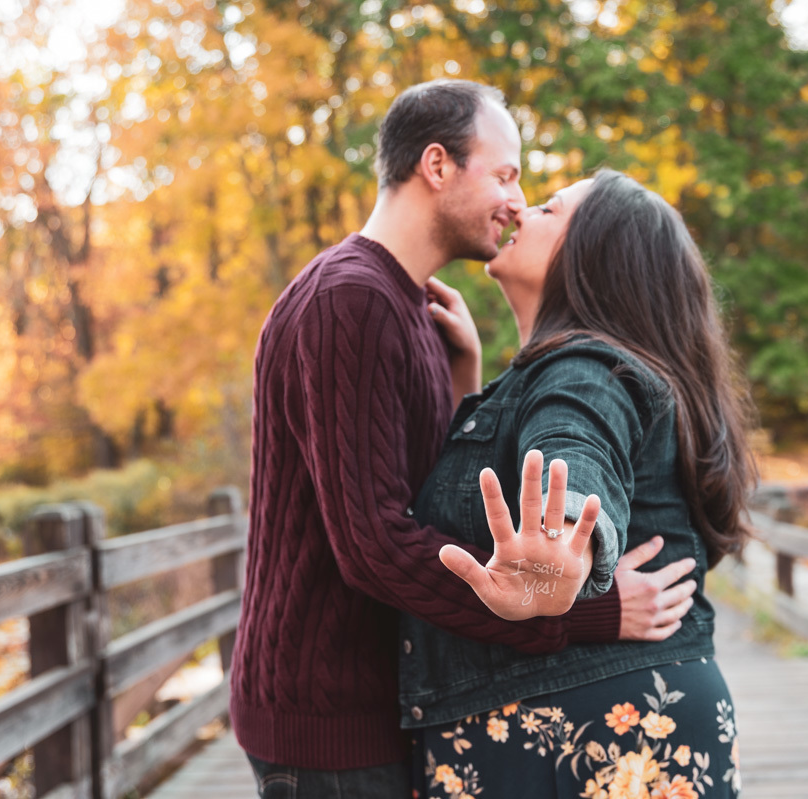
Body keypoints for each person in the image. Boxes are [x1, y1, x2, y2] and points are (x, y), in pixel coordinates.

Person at [230, 80, 699, 799]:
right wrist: (589, 610)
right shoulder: (347, 299)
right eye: (506, 174)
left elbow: (418, 493)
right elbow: (376, 545)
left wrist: (463, 381)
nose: (516, 200)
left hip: (385, 703)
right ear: (438, 165)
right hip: (330, 719)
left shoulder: (412, 310)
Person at [403, 170, 758, 798]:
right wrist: (467, 374)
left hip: (580, 735)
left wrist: (565, 544)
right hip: (621, 719)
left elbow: (574, 445)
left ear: (592, 255)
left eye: (548, 207)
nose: (521, 211)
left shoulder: (584, 371)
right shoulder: (572, 369)